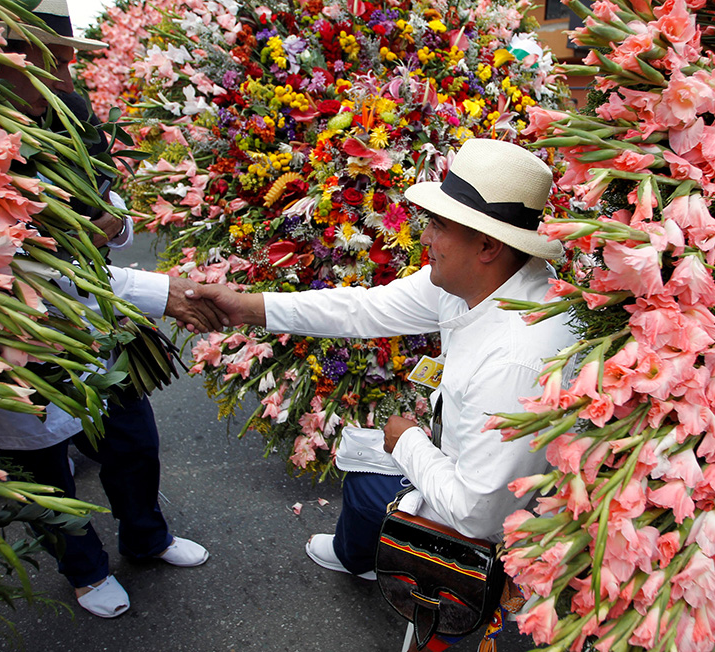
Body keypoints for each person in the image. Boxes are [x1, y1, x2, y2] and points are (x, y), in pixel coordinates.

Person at [187, 138, 576, 648]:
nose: (425, 236)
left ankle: (416, 594)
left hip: (498, 530)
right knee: (364, 466)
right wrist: (247, 307)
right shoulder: (484, 278)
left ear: (487, 246)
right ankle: (358, 556)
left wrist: (406, 440)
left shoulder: (517, 357)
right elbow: (363, 309)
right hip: (470, 467)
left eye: (439, 225)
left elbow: (477, 514)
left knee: (370, 487)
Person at [0, 0, 222, 619]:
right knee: (42, 469)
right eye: (49, 62)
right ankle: (84, 570)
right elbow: (7, 268)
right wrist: (162, 291)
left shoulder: (72, 111)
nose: (65, 78)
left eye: (68, 61)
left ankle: (147, 537)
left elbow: (108, 199)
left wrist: (113, 224)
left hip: (95, 316)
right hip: (11, 339)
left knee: (133, 439)